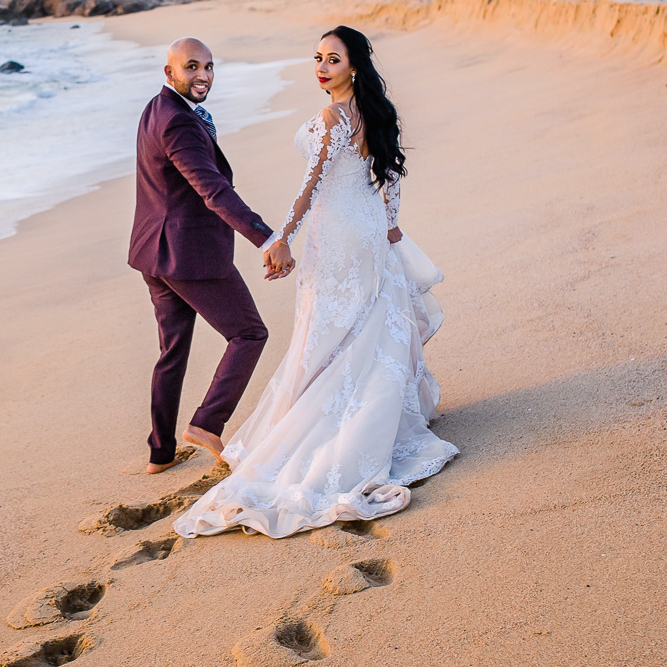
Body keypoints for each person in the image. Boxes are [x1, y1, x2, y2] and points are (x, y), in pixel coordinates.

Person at [174, 26, 457, 538]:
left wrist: (278, 239)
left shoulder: (331, 118)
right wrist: (389, 224)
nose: (322, 67)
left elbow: (310, 189)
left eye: (333, 59)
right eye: (317, 57)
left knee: (326, 331)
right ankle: (379, 416)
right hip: (367, 229)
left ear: (354, 65)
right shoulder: (377, 113)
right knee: (365, 325)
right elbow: (390, 178)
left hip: (337, 236)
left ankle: (330, 431)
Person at [129, 37, 292, 474]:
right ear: (170, 73)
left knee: (172, 351)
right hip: (190, 254)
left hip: (153, 253)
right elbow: (212, 190)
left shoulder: (157, 108)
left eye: (209, 67)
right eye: (191, 67)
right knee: (249, 334)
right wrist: (266, 238)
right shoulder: (178, 124)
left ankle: (159, 453)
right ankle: (206, 423)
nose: (202, 75)